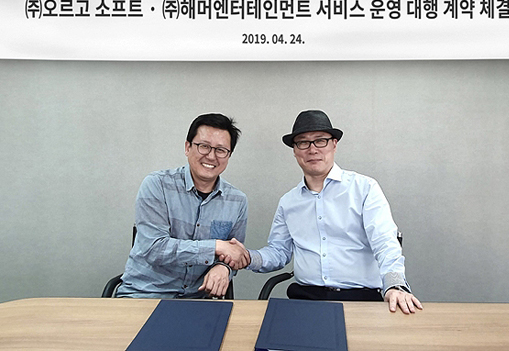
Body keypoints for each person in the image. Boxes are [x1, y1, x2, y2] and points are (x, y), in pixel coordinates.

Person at [223, 110, 422, 314]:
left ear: (334, 144)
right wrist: (248, 257)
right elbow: (279, 252)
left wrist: (395, 285)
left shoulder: (364, 189)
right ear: (295, 151)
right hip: (305, 300)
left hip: (360, 300)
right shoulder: (288, 202)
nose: (312, 149)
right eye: (303, 143)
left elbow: (385, 242)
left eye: (320, 141)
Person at [116, 113, 250, 299]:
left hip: (197, 300)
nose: (211, 156)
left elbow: (233, 253)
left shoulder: (237, 201)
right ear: (188, 147)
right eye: (204, 146)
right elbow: (153, 249)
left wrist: (224, 267)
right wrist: (216, 246)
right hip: (145, 295)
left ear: (228, 155)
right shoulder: (157, 185)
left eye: (221, 150)